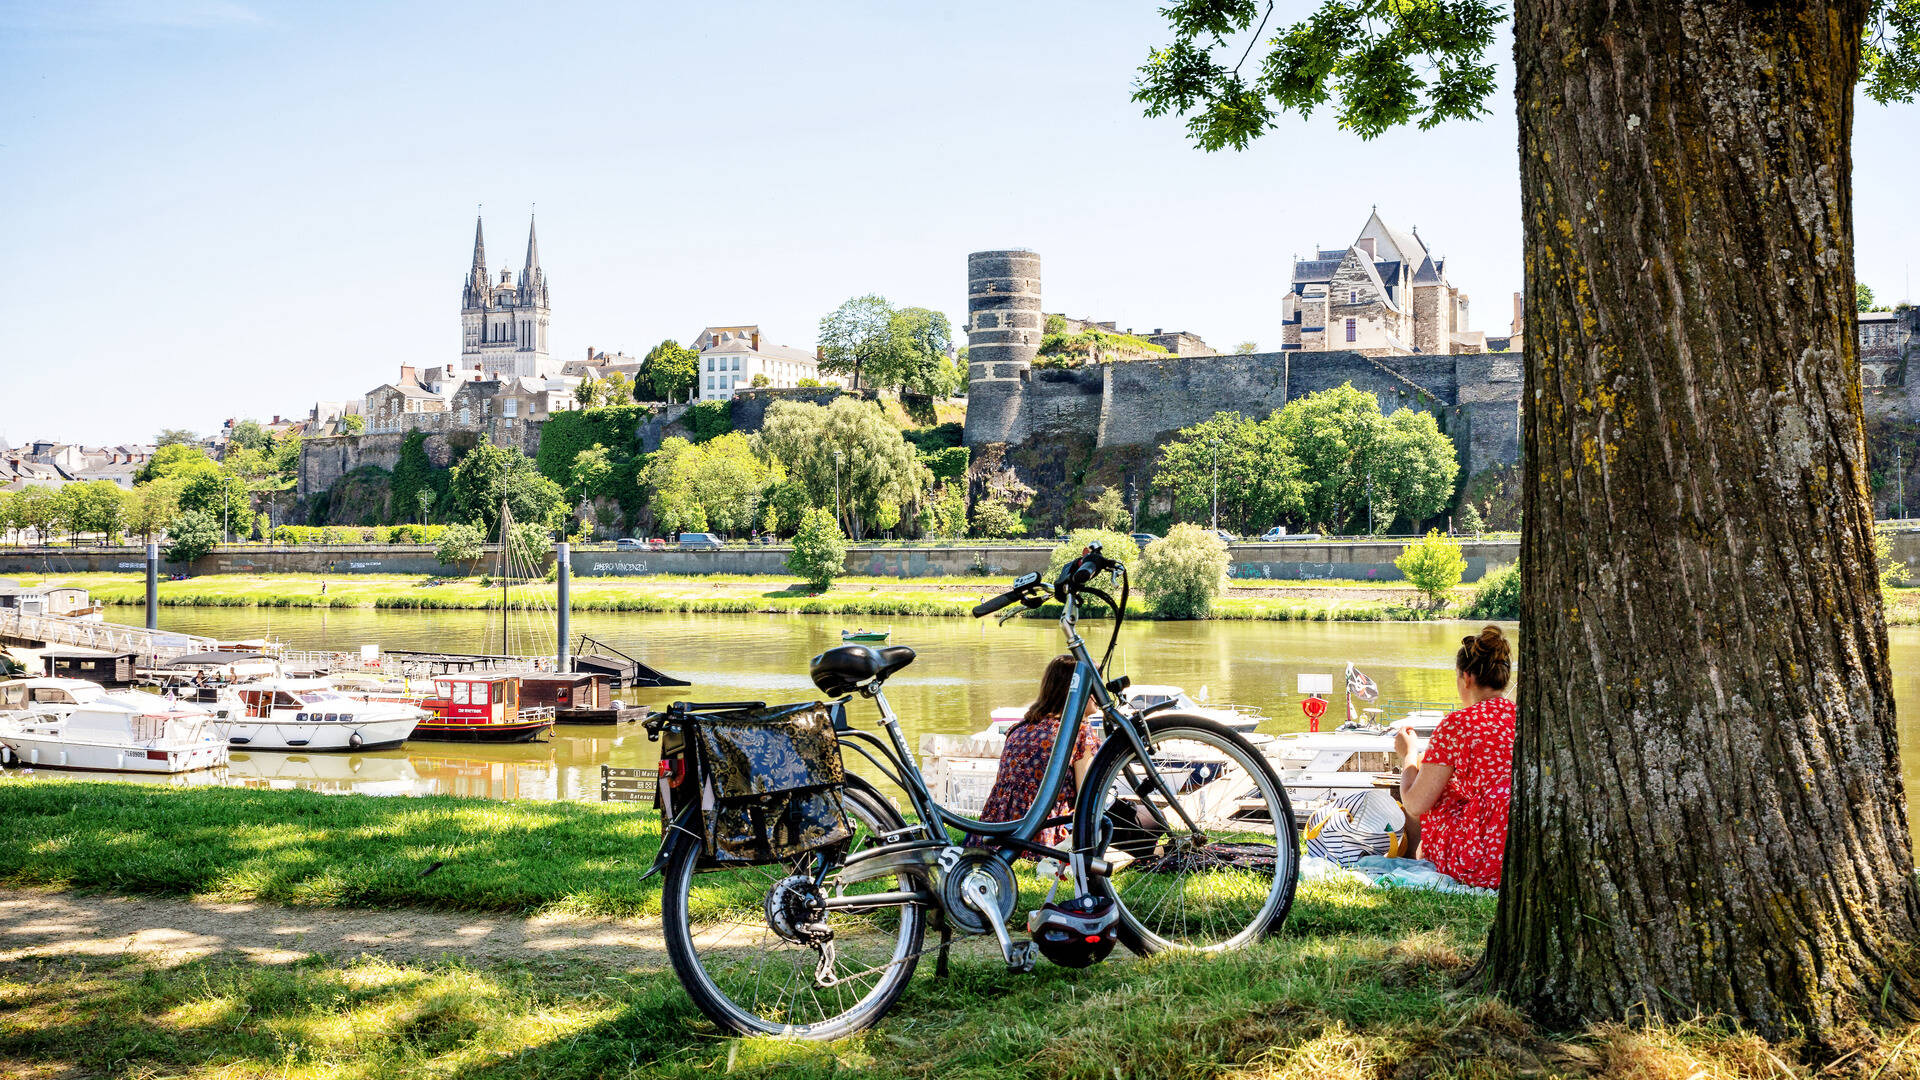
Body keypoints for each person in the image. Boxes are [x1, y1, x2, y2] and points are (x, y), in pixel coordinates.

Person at [1393, 624, 1516, 889]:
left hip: (1485, 859)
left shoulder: (1458, 723)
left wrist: (1409, 754)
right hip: (1520, 854)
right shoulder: (1521, 716)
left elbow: (1415, 805)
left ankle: (1416, 854)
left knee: (1437, 788)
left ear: (1467, 678)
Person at [975, 655, 1102, 853]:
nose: (1101, 692)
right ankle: (1160, 856)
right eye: (1095, 684)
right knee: (1145, 821)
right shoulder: (1079, 734)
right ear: (1077, 690)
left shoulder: (1019, 728)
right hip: (1044, 834)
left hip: (997, 832)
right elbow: (1089, 798)